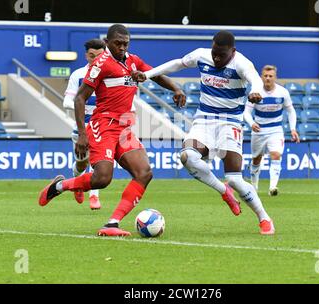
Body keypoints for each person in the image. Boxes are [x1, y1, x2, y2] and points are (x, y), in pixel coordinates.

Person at [38, 24, 186, 236]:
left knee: (144, 173)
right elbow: (80, 98)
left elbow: (154, 74)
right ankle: (59, 186)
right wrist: (82, 133)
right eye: (118, 43)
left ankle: (112, 224)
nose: (122, 47)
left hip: (124, 128)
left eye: (125, 43)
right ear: (107, 43)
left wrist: (176, 88)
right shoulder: (101, 64)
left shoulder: (133, 60)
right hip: (103, 126)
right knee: (102, 179)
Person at [132, 30, 275, 235]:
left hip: (230, 122)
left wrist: (257, 93)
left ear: (232, 52)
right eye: (215, 53)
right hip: (204, 119)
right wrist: (147, 74)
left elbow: (256, 80)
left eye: (222, 55)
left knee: (235, 178)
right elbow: (178, 63)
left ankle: (264, 218)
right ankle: (224, 191)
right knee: (187, 156)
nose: (216, 58)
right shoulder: (202, 55)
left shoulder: (241, 63)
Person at [244, 65, 300, 196]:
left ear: (275, 77)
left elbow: (291, 111)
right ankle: (254, 187)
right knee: (256, 159)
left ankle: (273, 187)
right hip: (259, 131)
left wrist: (293, 129)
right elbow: (246, 112)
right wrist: (251, 123)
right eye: (265, 76)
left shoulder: (282, 92)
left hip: (276, 130)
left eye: (271, 76)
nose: (268, 78)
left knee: (276, 155)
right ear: (261, 77)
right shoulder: (256, 93)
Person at [63, 38, 105, 210]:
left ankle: (94, 196)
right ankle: (76, 182)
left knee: (99, 162)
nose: (95, 59)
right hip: (82, 128)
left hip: (102, 127)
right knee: (82, 163)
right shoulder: (78, 75)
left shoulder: (109, 74)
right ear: (86, 55)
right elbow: (67, 101)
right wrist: (83, 105)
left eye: (99, 56)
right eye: (91, 55)